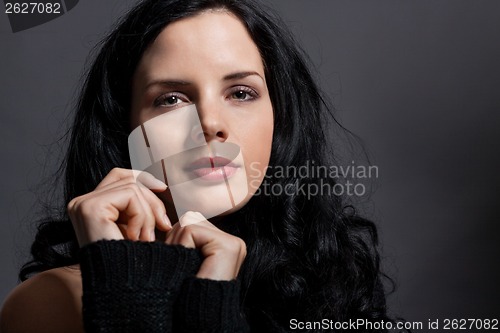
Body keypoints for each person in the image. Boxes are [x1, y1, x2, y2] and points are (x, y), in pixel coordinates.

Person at [0, 0, 392, 332]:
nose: (209, 123)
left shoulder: (332, 285)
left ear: (280, 120)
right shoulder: (55, 302)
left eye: (241, 93)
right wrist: (124, 295)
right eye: (171, 99)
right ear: (126, 126)